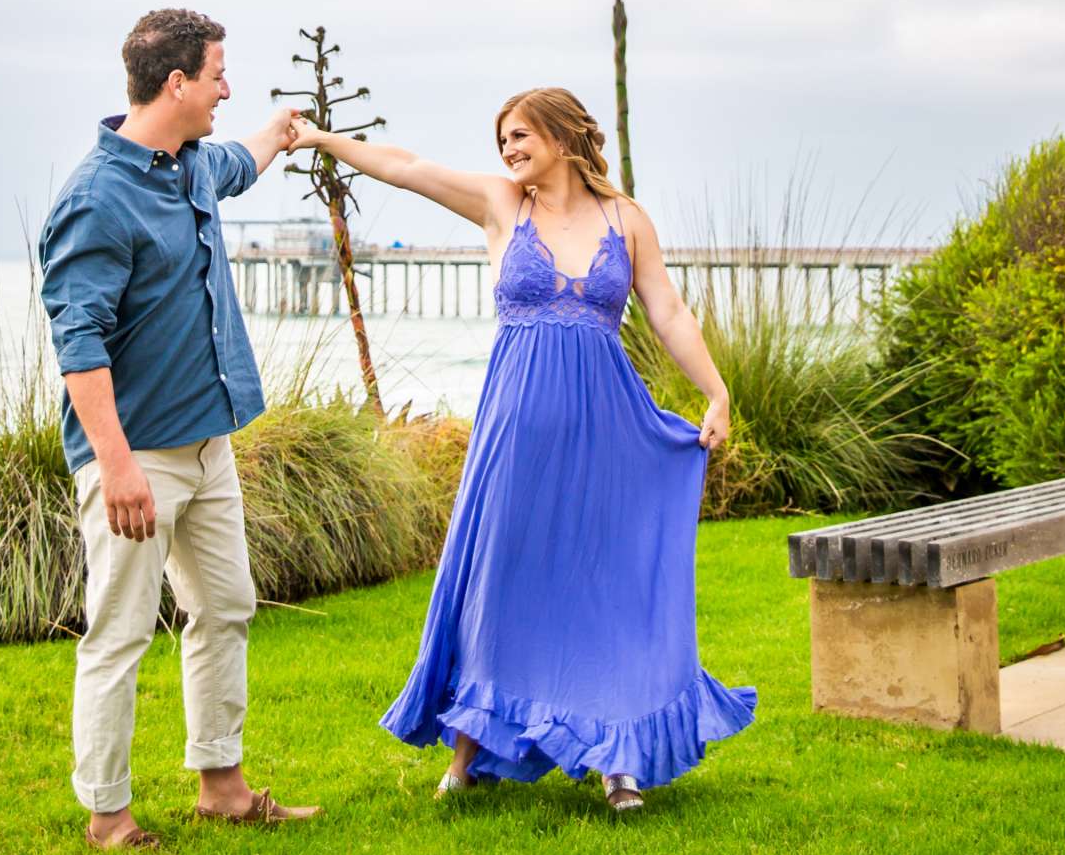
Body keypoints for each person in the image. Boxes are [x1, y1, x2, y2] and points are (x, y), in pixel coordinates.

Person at [288, 86, 756, 811]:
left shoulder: (625, 220)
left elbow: (666, 307)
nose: (508, 150)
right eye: (502, 139)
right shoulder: (503, 204)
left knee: (604, 583)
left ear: (563, 136)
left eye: (520, 136)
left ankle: (616, 757)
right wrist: (324, 141)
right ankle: (469, 750)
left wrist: (716, 390)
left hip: (605, 426)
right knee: (499, 580)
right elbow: (405, 166)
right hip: (516, 430)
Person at [40, 8, 319, 851]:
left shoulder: (192, 166)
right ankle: (108, 815)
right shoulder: (97, 199)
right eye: (218, 75)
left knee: (226, 608)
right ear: (177, 83)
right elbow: (78, 344)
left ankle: (221, 785)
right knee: (119, 634)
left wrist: (280, 131)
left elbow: (243, 163)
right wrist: (116, 465)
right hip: (138, 460)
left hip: (209, 445)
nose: (227, 89)